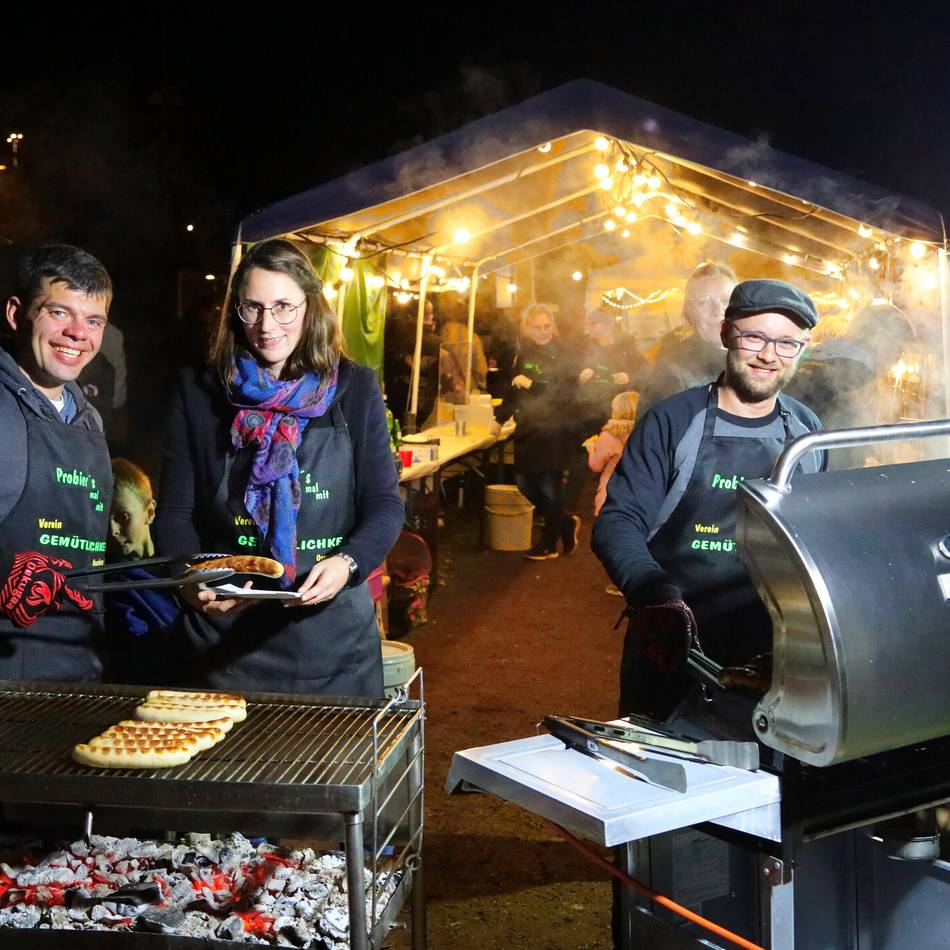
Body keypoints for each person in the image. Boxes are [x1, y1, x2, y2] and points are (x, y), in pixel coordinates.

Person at [154, 238, 404, 696]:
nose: (267, 325)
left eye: (284, 306)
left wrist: (348, 564)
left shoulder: (353, 388)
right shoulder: (199, 391)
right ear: (236, 312)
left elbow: (385, 505)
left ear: (310, 308)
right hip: (224, 642)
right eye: (253, 308)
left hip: (331, 643)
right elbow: (174, 513)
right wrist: (190, 579)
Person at [592, 279, 827, 719]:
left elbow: (817, 536)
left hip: (772, 650)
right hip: (672, 637)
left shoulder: (806, 432)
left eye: (786, 343)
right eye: (754, 336)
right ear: (726, 335)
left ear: (803, 348)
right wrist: (654, 596)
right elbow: (618, 520)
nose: (768, 355)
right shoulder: (674, 420)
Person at [0, 244, 114, 680]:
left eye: (93, 321)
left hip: (80, 661)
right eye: (59, 313)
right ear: (17, 313)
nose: (77, 333)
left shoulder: (88, 418)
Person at [491, 303, 579, 560]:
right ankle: (565, 523)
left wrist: (534, 384)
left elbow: (566, 393)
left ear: (553, 325)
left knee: (549, 487)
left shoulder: (565, 353)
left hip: (555, 428)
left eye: (546, 326)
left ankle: (549, 544)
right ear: (528, 328)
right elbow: (513, 390)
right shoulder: (523, 353)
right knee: (523, 482)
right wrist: (500, 418)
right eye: (537, 327)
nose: (542, 332)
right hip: (528, 427)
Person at [785, 302, 915, 469]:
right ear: (881, 341)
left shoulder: (814, 357)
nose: (898, 358)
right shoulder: (857, 377)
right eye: (899, 350)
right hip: (818, 482)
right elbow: (846, 455)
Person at [105, 458, 180, 684]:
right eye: (104, 518)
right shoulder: (106, 581)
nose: (113, 530)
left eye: (123, 517)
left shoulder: (181, 569)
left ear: (149, 512)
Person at [565, 307, 647, 510]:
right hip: (587, 409)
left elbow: (646, 373)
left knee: (617, 462)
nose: (590, 328)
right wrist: (579, 374)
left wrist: (630, 377)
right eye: (589, 323)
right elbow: (565, 374)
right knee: (580, 459)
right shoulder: (584, 346)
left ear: (608, 325)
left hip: (616, 415)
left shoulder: (626, 346)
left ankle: (615, 506)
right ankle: (568, 510)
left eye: (594, 324)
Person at [637, 261, 737, 418]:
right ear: (689, 311)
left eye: (726, 300)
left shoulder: (761, 357)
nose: (718, 311)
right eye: (703, 302)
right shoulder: (671, 372)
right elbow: (651, 439)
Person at [585, 390, 639, 597]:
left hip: (610, 490)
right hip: (636, 488)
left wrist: (591, 449)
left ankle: (620, 581)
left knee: (611, 537)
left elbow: (596, 465)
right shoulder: (644, 429)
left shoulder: (609, 434)